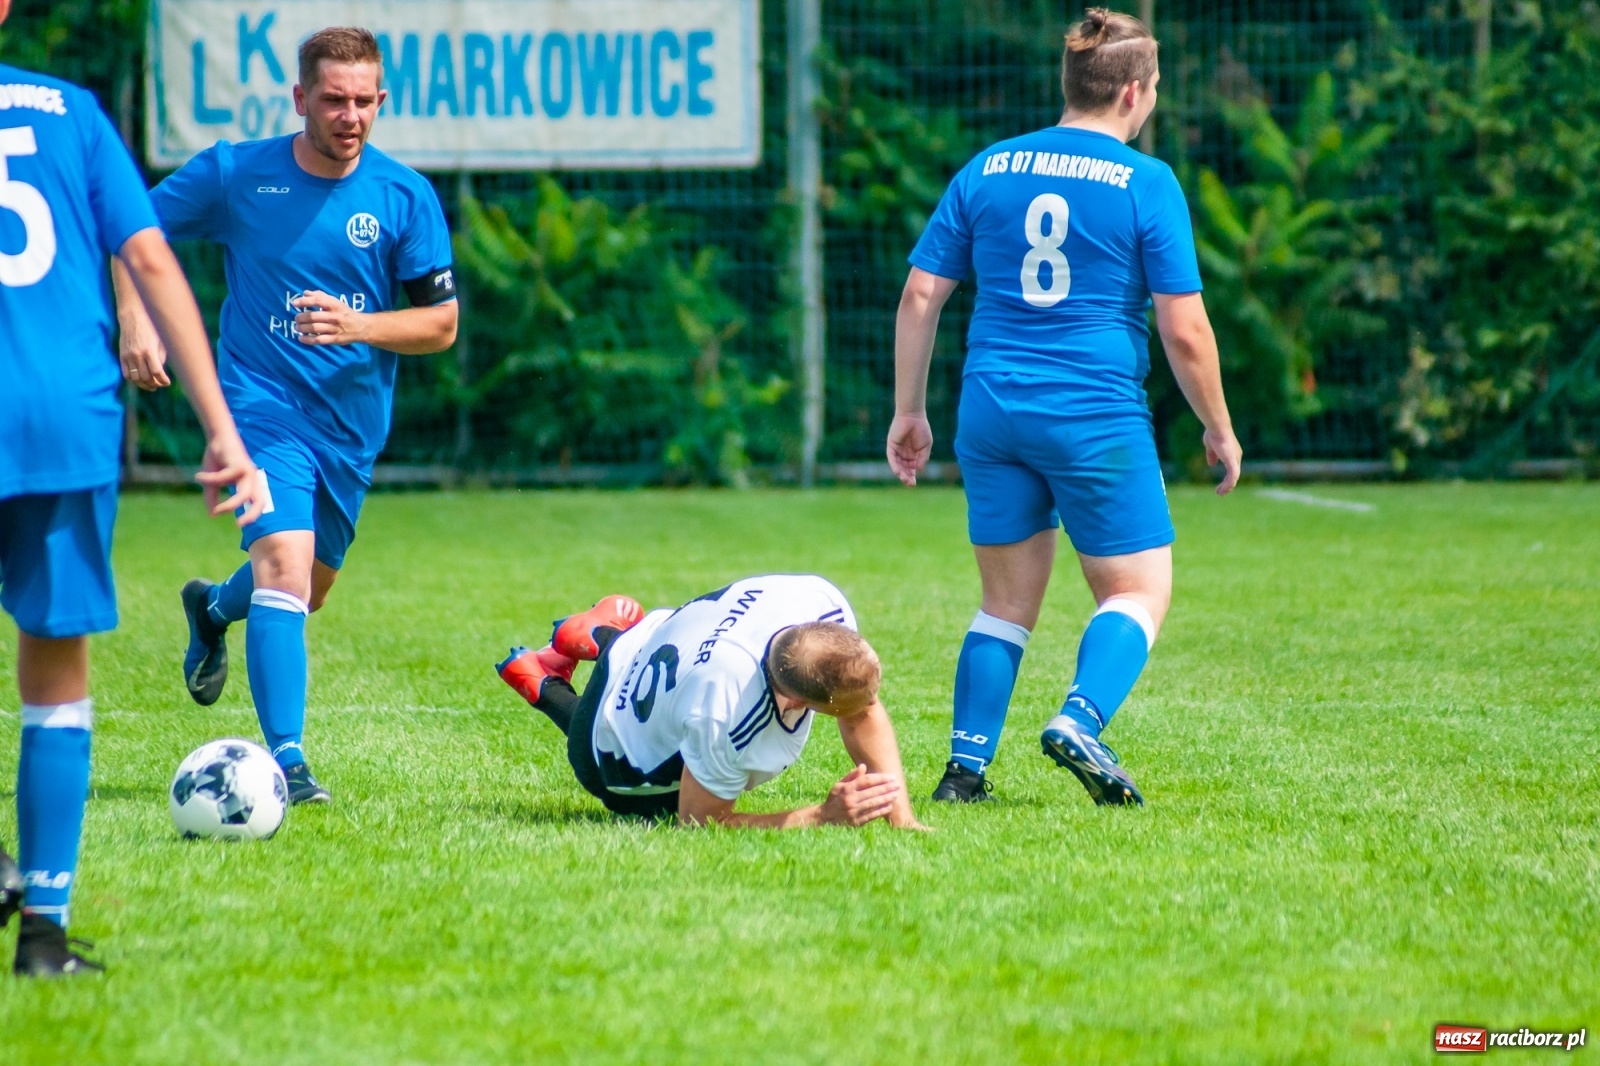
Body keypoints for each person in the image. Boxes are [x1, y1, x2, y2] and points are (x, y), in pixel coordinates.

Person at [886, 9, 1242, 806]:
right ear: (1133, 92)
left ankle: (963, 770)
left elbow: (919, 294)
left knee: (1005, 604)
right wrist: (1217, 426)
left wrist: (910, 410)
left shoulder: (987, 168)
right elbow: (1185, 331)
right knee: (1136, 592)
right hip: (1094, 415)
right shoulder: (1147, 182)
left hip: (992, 408)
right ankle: (1080, 719)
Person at [113, 27, 459, 805]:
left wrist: (359, 325)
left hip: (352, 430)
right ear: (300, 98)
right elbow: (131, 227)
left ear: (382, 102)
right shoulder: (239, 174)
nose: (350, 116)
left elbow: (441, 325)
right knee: (283, 567)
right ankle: (289, 767)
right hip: (258, 411)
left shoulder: (404, 195)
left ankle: (212, 608)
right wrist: (135, 320)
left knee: (308, 588)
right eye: (334, 99)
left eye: (365, 101)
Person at [0, 0, 263, 976]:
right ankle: (44, 935)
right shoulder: (70, 111)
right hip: (64, 417)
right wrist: (222, 430)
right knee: (54, 674)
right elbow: (150, 258)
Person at [496, 578, 924, 830]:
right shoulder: (724, 716)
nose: (873, 708)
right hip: (610, 746)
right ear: (794, 700)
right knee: (610, 760)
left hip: (654, 636)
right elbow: (699, 821)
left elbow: (861, 710)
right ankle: (540, 681)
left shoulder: (817, 601)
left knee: (667, 699)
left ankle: (604, 634)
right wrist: (819, 815)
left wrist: (902, 817)